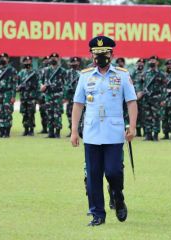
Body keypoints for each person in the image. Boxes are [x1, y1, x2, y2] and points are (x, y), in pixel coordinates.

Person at [71, 36, 137, 226]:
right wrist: (74, 131)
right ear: (91, 55)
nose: (101, 56)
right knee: (93, 175)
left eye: (105, 53)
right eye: (97, 53)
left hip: (114, 134)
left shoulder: (122, 75)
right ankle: (98, 214)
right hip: (92, 133)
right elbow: (78, 104)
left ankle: (118, 196)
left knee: (114, 171)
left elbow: (131, 102)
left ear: (112, 54)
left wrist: (132, 127)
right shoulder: (85, 76)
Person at [0, 53, 17, 138]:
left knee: (7, 112)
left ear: (8, 59)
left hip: (7, 93)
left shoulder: (11, 70)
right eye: (1, 57)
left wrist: (13, 96)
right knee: (0, 112)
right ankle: (1, 131)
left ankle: (7, 132)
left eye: (4, 57)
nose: (3, 59)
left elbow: (14, 84)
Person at [137, 55, 166, 141]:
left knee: (156, 116)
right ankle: (148, 135)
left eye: (154, 61)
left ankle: (156, 135)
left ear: (157, 62)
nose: (152, 62)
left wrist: (163, 99)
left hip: (156, 98)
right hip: (146, 98)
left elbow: (164, 87)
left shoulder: (161, 74)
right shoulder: (145, 73)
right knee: (147, 117)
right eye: (151, 61)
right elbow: (139, 83)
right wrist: (139, 92)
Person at [40, 53, 67, 138]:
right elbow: (40, 81)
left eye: (55, 57)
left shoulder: (62, 71)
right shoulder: (45, 70)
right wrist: (41, 86)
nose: (53, 59)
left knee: (57, 113)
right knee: (49, 113)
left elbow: (66, 84)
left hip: (58, 94)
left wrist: (65, 96)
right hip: (48, 94)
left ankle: (57, 132)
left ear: (58, 59)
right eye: (52, 57)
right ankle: (50, 132)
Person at [17, 56, 39, 136]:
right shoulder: (21, 73)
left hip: (31, 97)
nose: (27, 62)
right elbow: (17, 83)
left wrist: (37, 97)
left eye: (29, 61)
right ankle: (25, 129)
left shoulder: (34, 72)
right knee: (24, 113)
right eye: (25, 61)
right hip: (23, 97)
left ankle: (31, 129)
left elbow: (37, 85)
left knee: (31, 113)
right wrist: (18, 87)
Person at [65, 57, 81, 137]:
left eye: (76, 63)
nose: (75, 64)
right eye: (73, 63)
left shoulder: (81, 73)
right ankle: (72, 130)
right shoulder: (67, 73)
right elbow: (64, 84)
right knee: (69, 113)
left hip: (79, 98)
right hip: (70, 97)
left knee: (80, 114)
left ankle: (80, 130)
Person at [132, 58, 146, 137]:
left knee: (144, 114)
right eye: (139, 63)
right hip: (134, 97)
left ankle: (145, 131)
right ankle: (138, 132)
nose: (140, 64)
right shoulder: (134, 73)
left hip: (143, 97)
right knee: (136, 114)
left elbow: (147, 85)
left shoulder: (146, 73)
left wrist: (142, 93)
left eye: (142, 63)